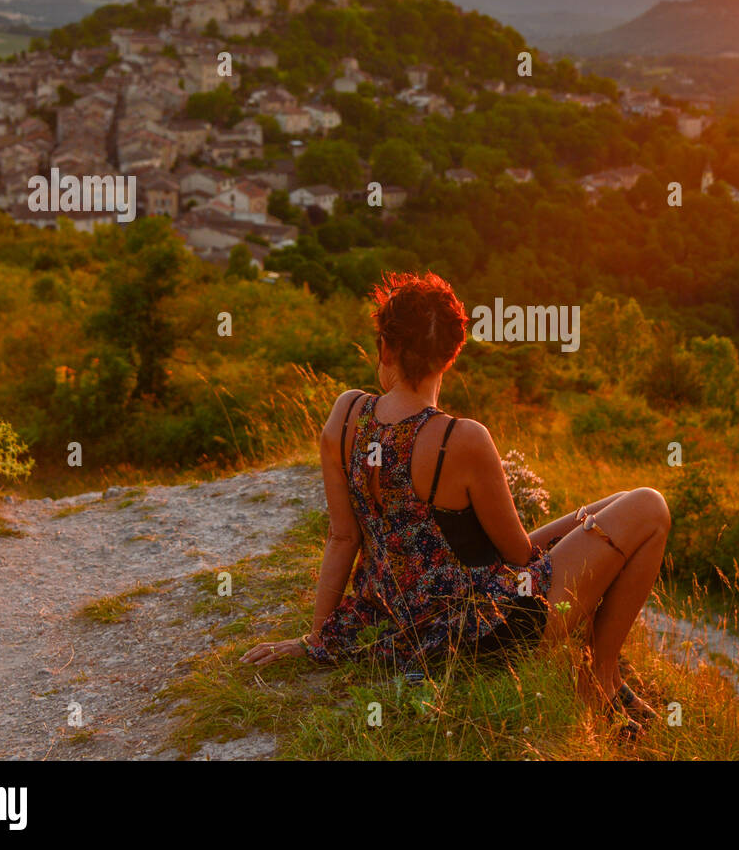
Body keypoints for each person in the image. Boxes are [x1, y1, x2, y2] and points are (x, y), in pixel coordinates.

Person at [242, 272, 671, 731]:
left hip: (395, 626)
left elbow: (342, 537)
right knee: (648, 506)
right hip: (485, 634)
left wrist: (317, 638)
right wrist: (567, 536)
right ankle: (600, 676)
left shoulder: (345, 416)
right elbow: (519, 555)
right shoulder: (459, 439)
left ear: (386, 348)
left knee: (617, 502)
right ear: (452, 353)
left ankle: (601, 669)